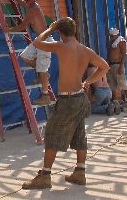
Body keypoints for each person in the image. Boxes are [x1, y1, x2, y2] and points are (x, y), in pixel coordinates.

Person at [22, 17, 109, 190]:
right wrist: (87, 82)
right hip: (80, 98)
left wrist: (49, 29)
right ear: (74, 30)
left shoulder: (61, 47)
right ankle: (80, 173)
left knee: (52, 135)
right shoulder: (85, 50)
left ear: (60, 32)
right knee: (79, 134)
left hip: (67, 99)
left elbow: (38, 43)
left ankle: (45, 176)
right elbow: (105, 67)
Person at [5, 0, 53, 106]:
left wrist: (9, 30)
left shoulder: (34, 9)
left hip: (45, 41)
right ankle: (43, 74)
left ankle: (45, 95)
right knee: (24, 57)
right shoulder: (31, 5)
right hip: (39, 39)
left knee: (42, 69)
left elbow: (23, 26)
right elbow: (23, 3)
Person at [106, 27, 127, 107]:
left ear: (116, 35)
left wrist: (121, 66)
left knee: (122, 83)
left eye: (113, 36)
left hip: (118, 65)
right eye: (111, 36)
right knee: (112, 83)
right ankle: (114, 101)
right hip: (111, 65)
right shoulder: (111, 42)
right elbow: (109, 54)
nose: (111, 37)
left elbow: (124, 55)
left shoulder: (121, 42)